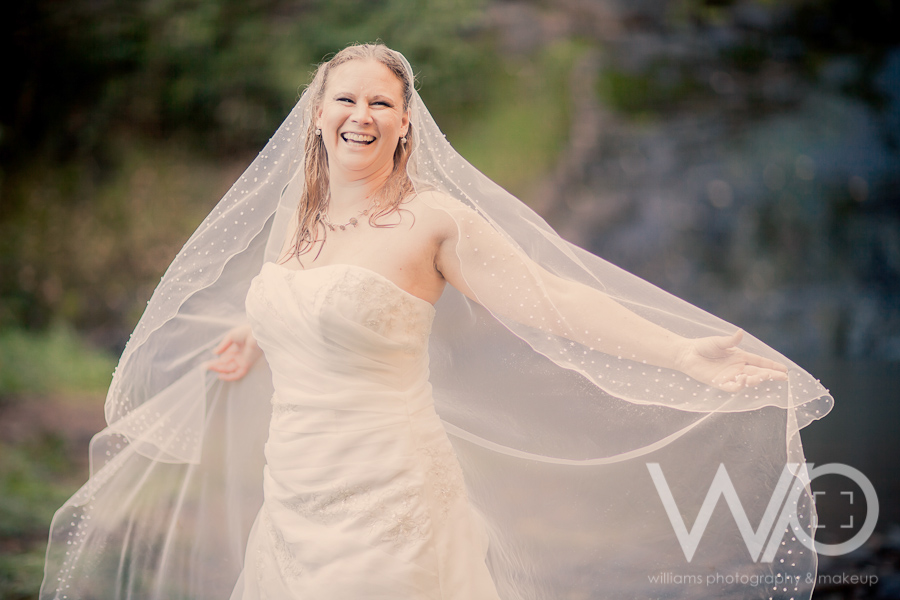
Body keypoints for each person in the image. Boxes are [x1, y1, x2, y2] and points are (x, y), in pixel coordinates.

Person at [41, 43, 833, 600]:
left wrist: (681, 353)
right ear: (316, 116)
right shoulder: (298, 218)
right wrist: (256, 333)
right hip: (292, 494)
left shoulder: (434, 222)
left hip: (392, 497)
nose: (361, 114)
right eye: (344, 99)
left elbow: (554, 300)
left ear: (406, 122)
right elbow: (291, 293)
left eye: (380, 102)